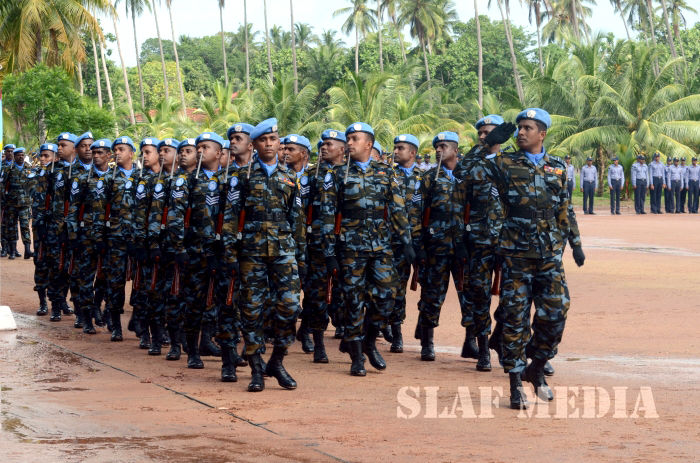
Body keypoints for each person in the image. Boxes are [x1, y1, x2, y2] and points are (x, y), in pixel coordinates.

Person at [472, 108, 585, 409]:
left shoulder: (557, 167)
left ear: (542, 134)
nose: (521, 132)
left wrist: (575, 243)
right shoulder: (504, 162)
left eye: (528, 128)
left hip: (549, 254)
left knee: (556, 313)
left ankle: (537, 364)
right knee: (514, 318)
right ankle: (515, 382)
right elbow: (464, 172)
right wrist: (487, 145)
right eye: (519, 127)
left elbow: (565, 208)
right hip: (516, 255)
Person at [320, 122, 415, 376]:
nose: (349, 143)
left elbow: (397, 209)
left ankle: (370, 341)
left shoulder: (385, 172)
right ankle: (356, 356)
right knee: (353, 302)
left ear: (368, 144)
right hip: (350, 248)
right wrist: (329, 253)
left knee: (387, 297)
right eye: (348, 138)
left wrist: (406, 242)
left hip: (381, 246)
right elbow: (328, 216)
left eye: (354, 139)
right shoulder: (337, 174)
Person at [222, 118, 306, 392]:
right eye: (263, 140)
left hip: (284, 252)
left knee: (290, 306)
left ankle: (278, 361)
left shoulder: (291, 179)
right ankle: (257, 369)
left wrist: (301, 257)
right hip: (252, 253)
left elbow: (298, 220)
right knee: (251, 311)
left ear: (279, 142)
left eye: (273, 139)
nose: (268, 144)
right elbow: (230, 217)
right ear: (254, 144)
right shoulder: (242, 177)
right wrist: (230, 253)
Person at [458, 114, 508, 371]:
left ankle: (500, 337)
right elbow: (458, 173)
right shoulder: (473, 165)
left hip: (509, 241)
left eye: (489, 133)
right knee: (479, 297)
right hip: (478, 241)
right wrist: (482, 147)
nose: (483, 136)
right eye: (480, 133)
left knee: (514, 296)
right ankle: (484, 350)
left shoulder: (511, 162)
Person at [93, 136, 135, 341]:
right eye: (115, 150)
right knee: (115, 282)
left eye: (121, 149)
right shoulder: (108, 178)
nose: (117, 153)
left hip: (139, 238)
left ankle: (141, 323)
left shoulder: (143, 177)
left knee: (142, 283)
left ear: (131, 153)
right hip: (115, 237)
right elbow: (99, 211)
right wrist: (99, 237)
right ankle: (116, 324)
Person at [388, 133, 423, 354]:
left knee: (428, 290)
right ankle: (396, 334)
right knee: (395, 289)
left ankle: (425, 338)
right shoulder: (387, 176)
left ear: (412, 153)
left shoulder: (426, 178)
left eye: (401, 148)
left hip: (421, 243)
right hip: (394, 242)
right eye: (395, 147)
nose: (396, 151)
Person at [29, 143, 58, 316]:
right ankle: (42, 302)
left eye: (47, 156)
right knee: (40, 263)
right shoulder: (35, 176)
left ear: (55, 157)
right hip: (41, 226)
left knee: (57, 265)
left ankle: (58, 302)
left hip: (56, 227)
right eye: (42, 156)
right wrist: (40, 225)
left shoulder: (62, 175)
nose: (42, 159)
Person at [4, 147, 33, 259]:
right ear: (14, 156)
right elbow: (3, 186)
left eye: (22, 155)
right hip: (11, 203)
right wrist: (4, 200)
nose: (21, 157)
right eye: (19, 155)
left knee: (25, 226)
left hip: (25, 203)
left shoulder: (28, 168)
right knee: (11, 227)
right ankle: (12, 251)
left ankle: (27, 250)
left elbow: (32, 185)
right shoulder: (8, 169)